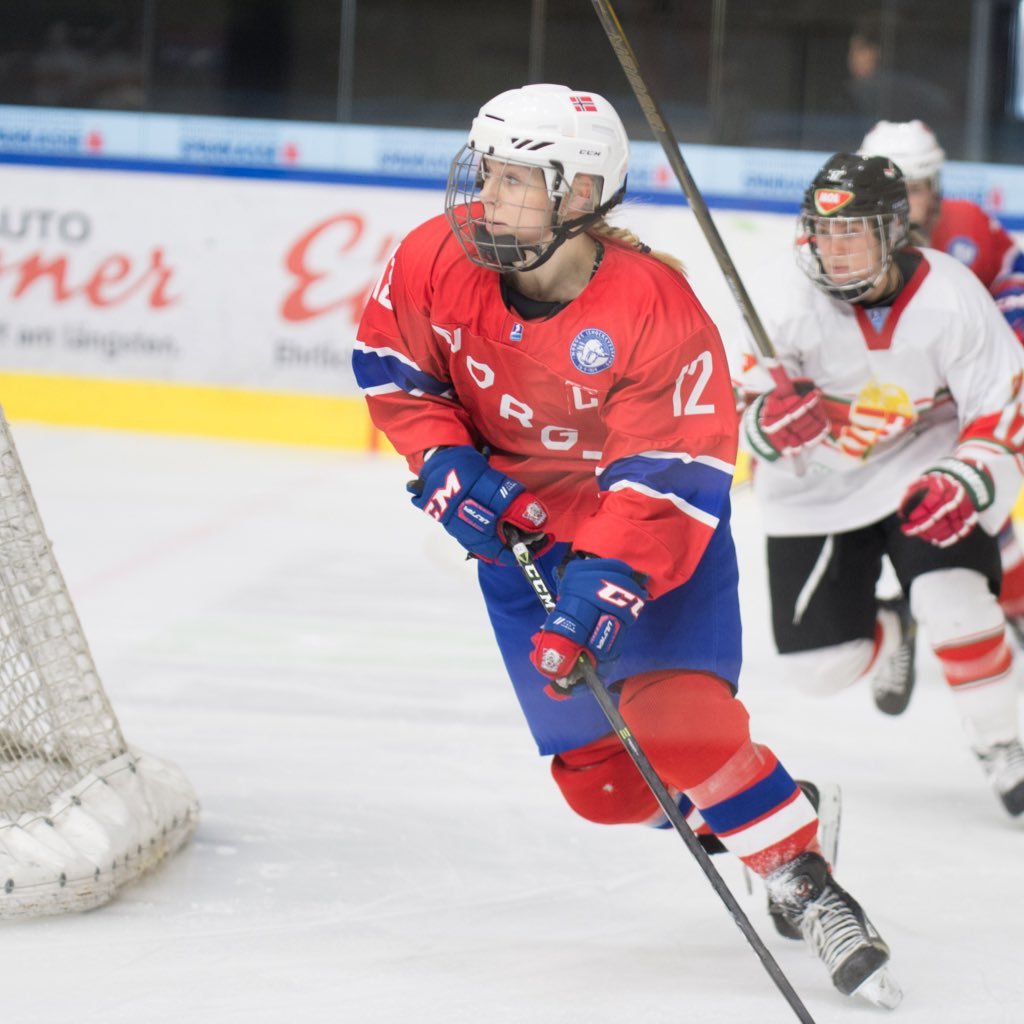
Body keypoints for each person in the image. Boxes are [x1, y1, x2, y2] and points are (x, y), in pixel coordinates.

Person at [353, 84, 899, 1007]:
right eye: (486, 171)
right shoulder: (431, 256)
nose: (487, 196)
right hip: (519, 541)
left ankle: (806, 883)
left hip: (646, 537)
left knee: (674, 719)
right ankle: (779, 798)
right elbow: (395, 369)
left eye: (517, 179)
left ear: (579, 194)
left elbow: (667, 475)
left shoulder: (652, 305)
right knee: (604, 790)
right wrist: (448, 466)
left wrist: (599, 587)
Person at [739, 151, 1024, 820]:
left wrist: (970, 477)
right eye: (823, 233)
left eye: (853, 232)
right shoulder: (780, 296)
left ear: (894, 230)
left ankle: (1004, 739)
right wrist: (766, 425)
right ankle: (893, 626)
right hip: (816, 495)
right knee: (819, 669)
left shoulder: (952, 294)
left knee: (954, 602)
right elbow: (725, 408)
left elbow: (1002, 402)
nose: (834, 252)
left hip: (919, 473)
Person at [859, 120, 1024, 654]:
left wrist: (1009, 329)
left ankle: (1009, 602)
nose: (903, 204)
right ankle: (897, 609)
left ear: (936, 189)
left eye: (913, 188)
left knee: (976, 502)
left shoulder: (968, 227)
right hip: (890, 409)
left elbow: (1014, 274)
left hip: (962, 400)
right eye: (889, 189)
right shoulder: (849, 243)